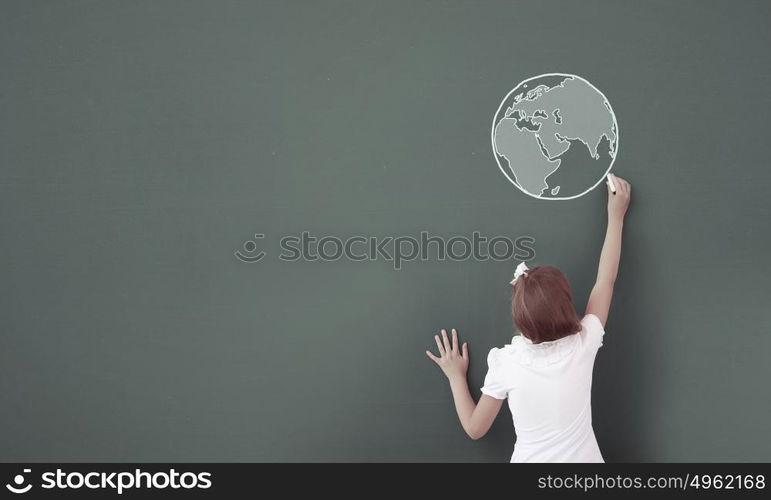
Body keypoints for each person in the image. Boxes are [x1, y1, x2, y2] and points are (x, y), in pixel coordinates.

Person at [425, 174, 631, 462]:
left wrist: (456, 376)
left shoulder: (508, 363)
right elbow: (605, 281)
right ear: (566, 306)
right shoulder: (583, 343)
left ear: (520, 319)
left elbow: (475, 428)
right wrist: (616, 217)